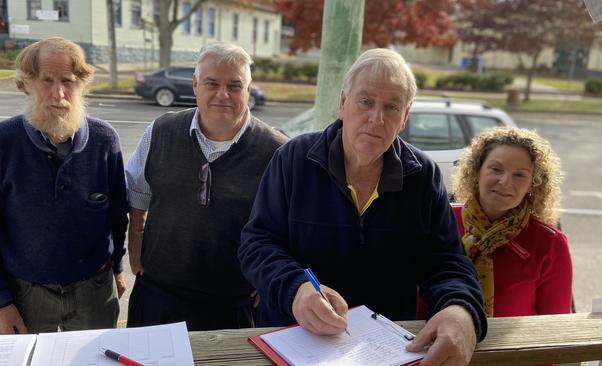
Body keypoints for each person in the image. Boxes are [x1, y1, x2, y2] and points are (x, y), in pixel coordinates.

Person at [238, 48, 487, 365]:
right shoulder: (293, 159)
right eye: (366, 102)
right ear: (343, 104)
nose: (376, 118)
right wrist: (295, 289)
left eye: (391, 107)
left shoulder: (423, 176)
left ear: (404, 118)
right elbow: (256, 244)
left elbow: (446, 261)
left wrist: (460, 309)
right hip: (294, 342)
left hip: (385, 353)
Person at [0, 37, 128, 334]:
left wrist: (117, 267)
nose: (58, 93)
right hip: (25, 294)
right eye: (46, 80)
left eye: (68, 80)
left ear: (83, 84)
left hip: (94, 290)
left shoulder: (105, 140)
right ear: (26, 82)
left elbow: (117, 215)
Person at [125, 42, 287, 331]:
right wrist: (135, 246)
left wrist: (269, 277)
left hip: (233, 304)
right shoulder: (160, 131)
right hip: (158, 295)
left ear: (248, 91)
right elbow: (138, 194)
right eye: (212, 83)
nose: (222, 95)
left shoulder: (276, 151)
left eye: (235, 86)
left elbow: (287, 226)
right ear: (196, 84)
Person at [451, 127, 572, 317]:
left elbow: (555, 326)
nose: (505, 181)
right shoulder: (440, 220)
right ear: (477, 171)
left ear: (533, 184)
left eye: (520, 175)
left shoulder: (550, 243)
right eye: (496, 169)